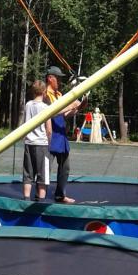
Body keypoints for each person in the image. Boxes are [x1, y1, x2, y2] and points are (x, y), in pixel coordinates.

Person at [44, 66, 81, 203]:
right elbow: (50, 113)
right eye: (58, 78)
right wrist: (70, 106)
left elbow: (63, 115)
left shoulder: (59, 95)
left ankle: (60, 195)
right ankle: (40, 195)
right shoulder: (44, 95)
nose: (59, 81)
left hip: (60, 134)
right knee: (46, 168)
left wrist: (77, 108)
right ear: (50, 78)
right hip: (49, 135)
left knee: (65, 167)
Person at [22, 80, 52, 201]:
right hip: (41, 143)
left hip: (29, 142)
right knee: (42, 175)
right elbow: (49, 129)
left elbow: (25, 122)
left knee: (28, 173)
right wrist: (49, 141)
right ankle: (41, 201)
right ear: (44, 91)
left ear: (33, 91)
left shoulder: (28, 105)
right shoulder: (45, 107)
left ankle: (26, 199)